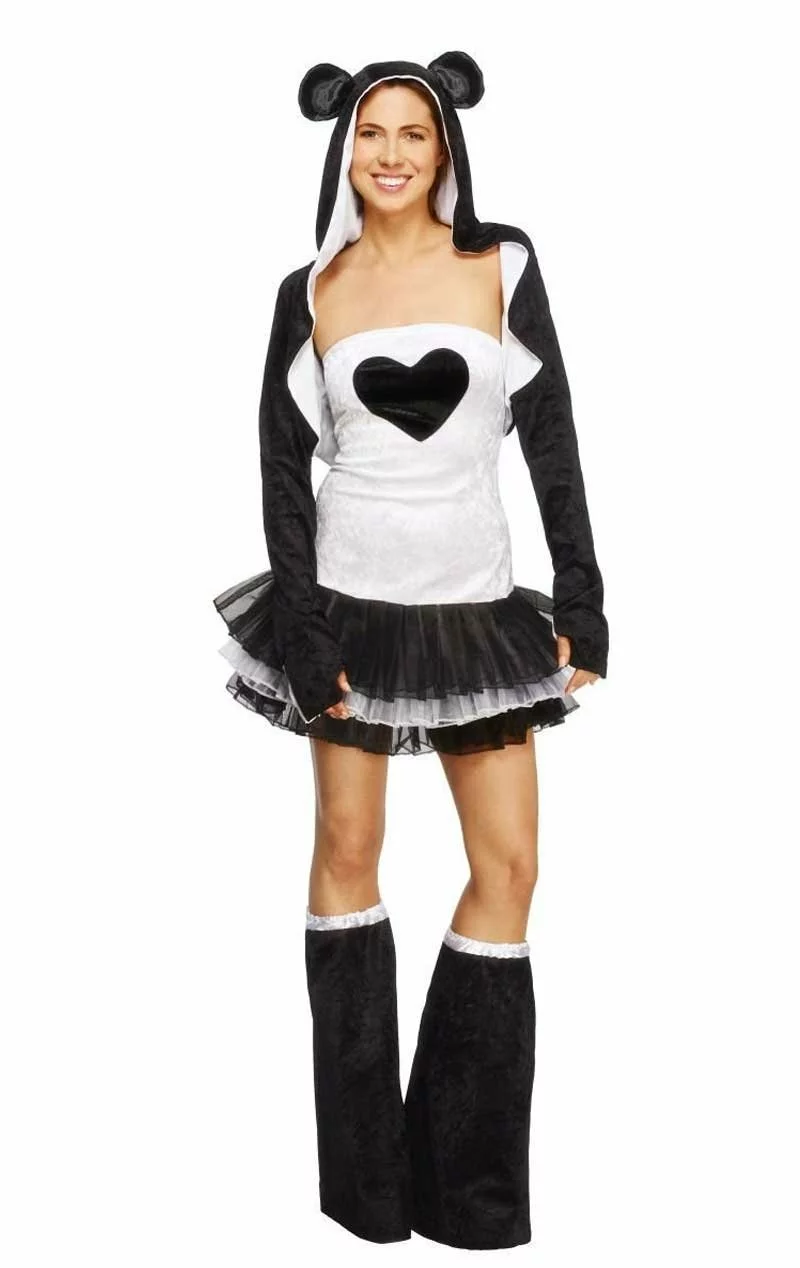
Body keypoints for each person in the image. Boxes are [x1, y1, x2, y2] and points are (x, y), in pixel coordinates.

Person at [212, 51, 609, 1250]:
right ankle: (367, 1186)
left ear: (445, 149)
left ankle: (461, 1177)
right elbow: (282, 470)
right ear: (344, 151)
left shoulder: (502, 265)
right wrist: (303, 626)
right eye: (370, 134)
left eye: (412, 134)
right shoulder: (309, 290)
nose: (389, 154)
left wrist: (582, 597)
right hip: (346, 608)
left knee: (509, 865)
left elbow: (550, 433)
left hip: (476, 609)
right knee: (347, 846)